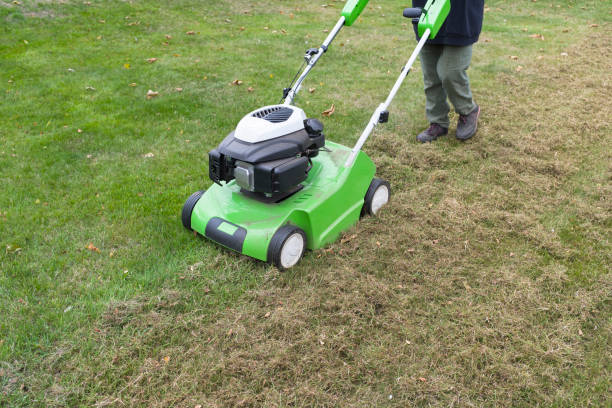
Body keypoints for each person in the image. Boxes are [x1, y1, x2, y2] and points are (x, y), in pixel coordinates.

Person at [412, 0, 485, 143]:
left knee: (450, 72)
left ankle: (468, 110)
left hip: (461, 14)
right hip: (428, 10)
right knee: (431, 75)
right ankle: (438, 122)